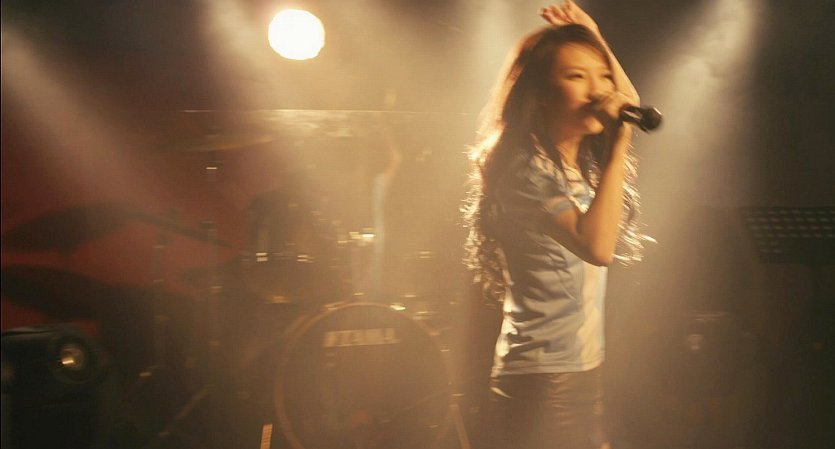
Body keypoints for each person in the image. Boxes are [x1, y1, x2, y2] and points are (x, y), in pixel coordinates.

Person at [463, 2, 649, 448]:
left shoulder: (566, 165)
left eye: (602, 77)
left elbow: (629, 104)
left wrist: (594, 34)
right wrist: (619, 144)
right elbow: (597, 248)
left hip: (580, 370)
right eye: (576, 76)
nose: (599, 92)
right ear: (541, 93)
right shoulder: (526, 172)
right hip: (542, 382)